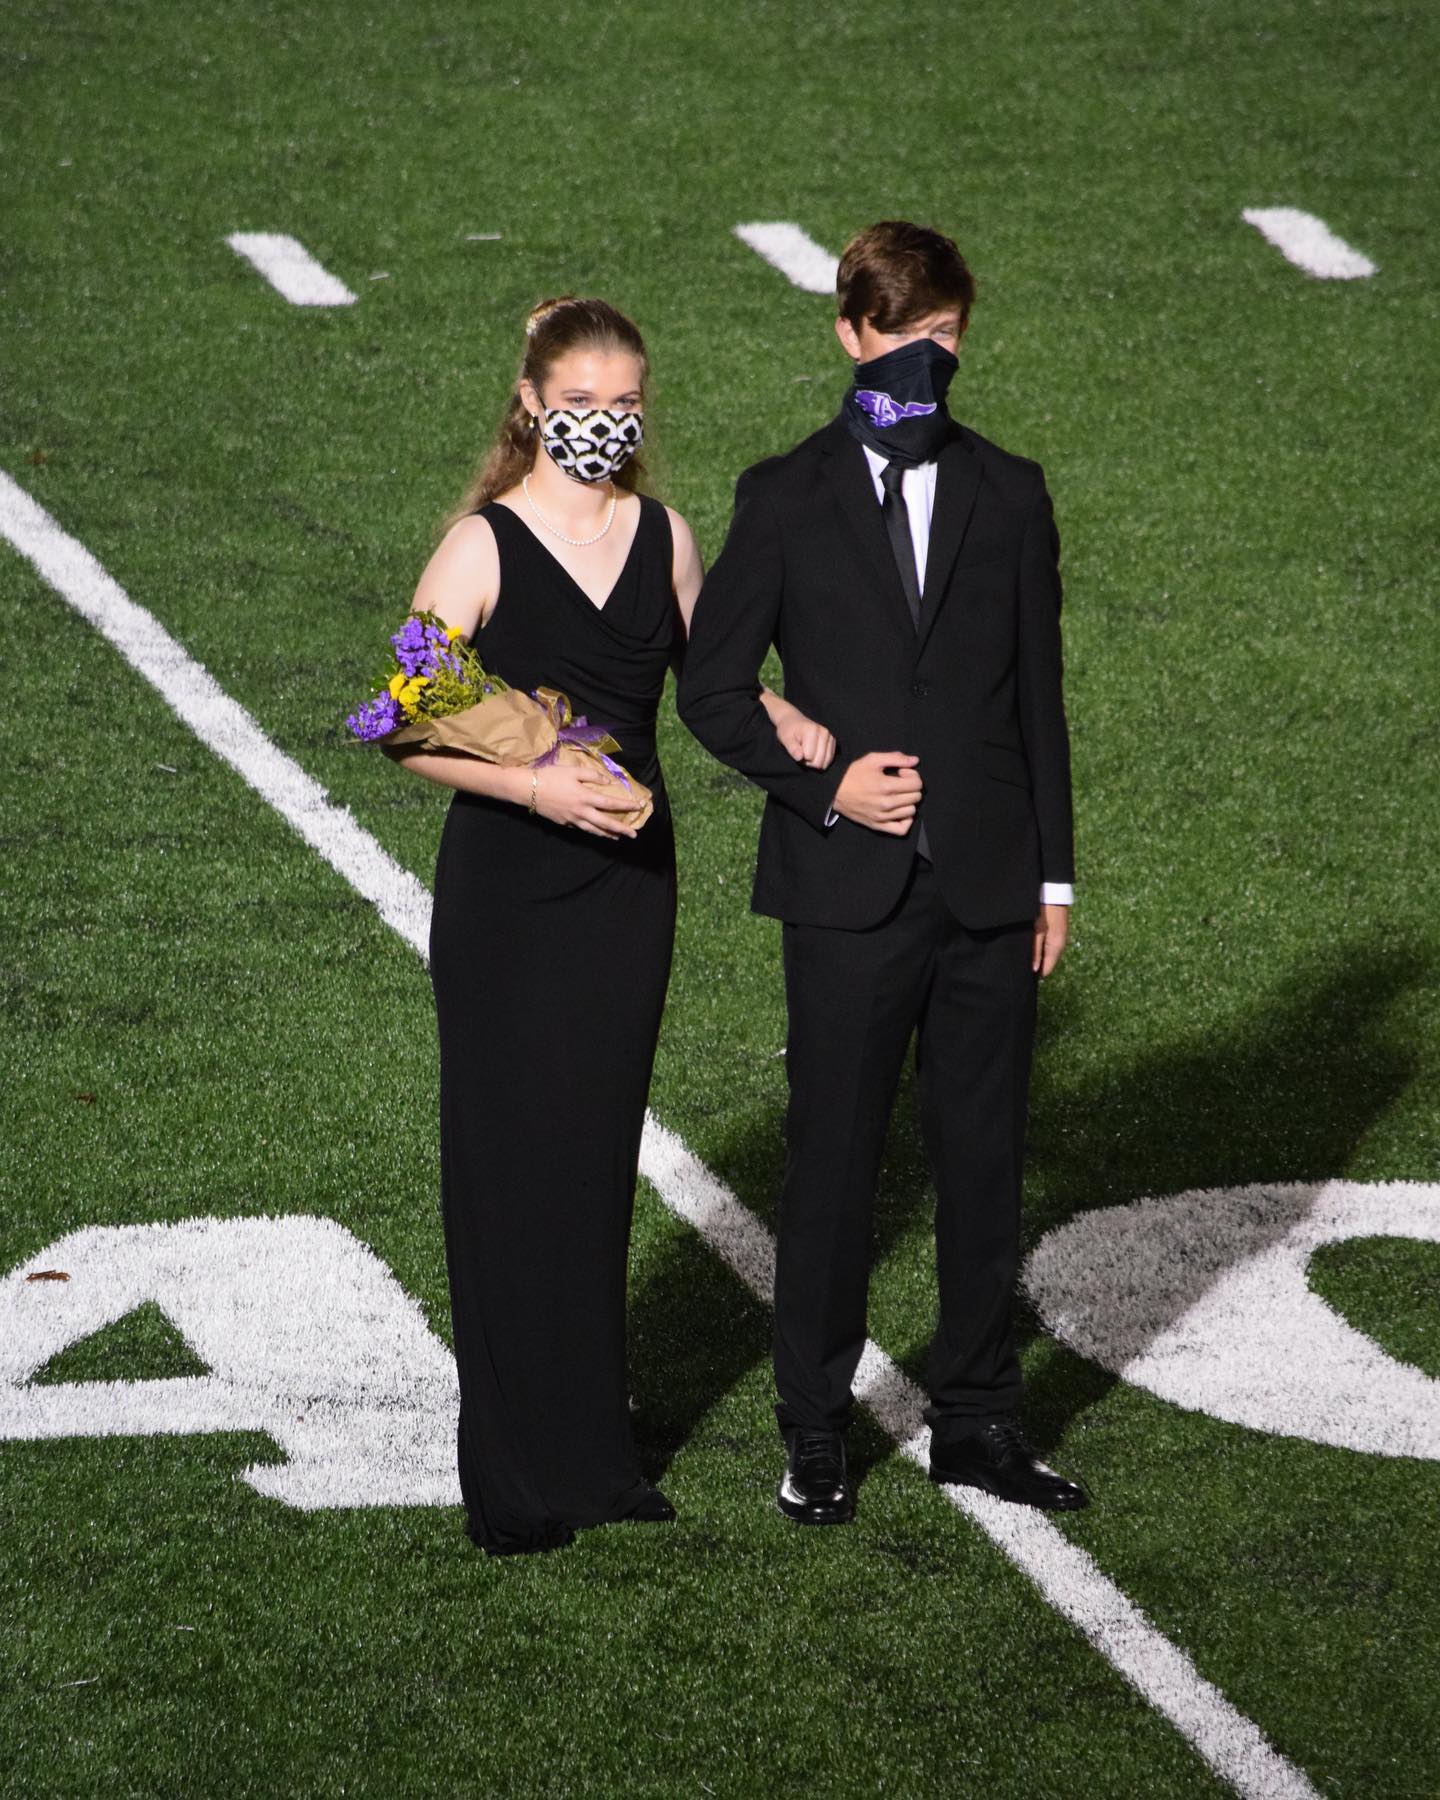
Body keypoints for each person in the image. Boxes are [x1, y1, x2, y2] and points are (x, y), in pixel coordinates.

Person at [385, 296, 834, 1555]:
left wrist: (790, 719)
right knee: (505, 1166)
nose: (602, 426)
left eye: (623, 406)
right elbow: (402, 720)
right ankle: (517, 1480)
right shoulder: (483, 546)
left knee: (590, 1166)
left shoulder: (666, 537)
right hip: (510, 891)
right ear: (532, 404)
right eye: (579, 405)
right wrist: (533, 780)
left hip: (629, 892)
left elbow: (712, 686)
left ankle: (596, 1460)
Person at [678, 222, 1088, 1522]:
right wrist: (825, 782)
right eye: (905, 337)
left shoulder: (1009, 492)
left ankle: (977, 1421)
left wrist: (1057, 881)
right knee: (836, 1166)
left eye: (947, 339)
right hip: (844, 887)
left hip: (987, 889)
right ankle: (814, 1429)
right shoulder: (784, 495)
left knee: (982, 1164)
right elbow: (712, 687)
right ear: (850, 334)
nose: (928, 359)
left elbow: (1041, 701)